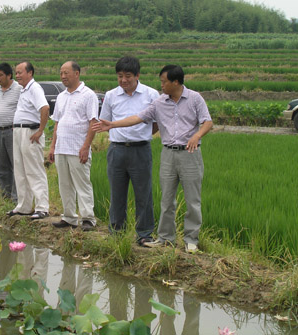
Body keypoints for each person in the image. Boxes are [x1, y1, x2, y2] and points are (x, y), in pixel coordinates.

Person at [95, 64, 213, 253]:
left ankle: (191, 240)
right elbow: (138, 118)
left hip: (190, 153)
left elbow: (207, 121)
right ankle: (166, 238)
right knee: (166, 199)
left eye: (164, 82)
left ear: (175, 82)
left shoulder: (194, 98)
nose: (161, 86)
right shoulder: (160, 102)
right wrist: (113, 125)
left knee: (192, 200)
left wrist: (197, 136)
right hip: (168, 153)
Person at [99, 56, 159, 246]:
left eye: (127, 76)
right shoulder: (111, 95)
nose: (123, 80)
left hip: (141, 150)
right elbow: (106, 122)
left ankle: (144, 234)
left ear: (137, 75)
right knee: (117, 194)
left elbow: (157, 123)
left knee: (144, 194)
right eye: (119, 76)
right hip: (116, 150)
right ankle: (116, 232)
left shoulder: (151, 94)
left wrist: (143, 134)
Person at [49, 61, 99, 231]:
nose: (63, 76)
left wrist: (86, 147)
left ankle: (88, 219)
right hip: (61, 148)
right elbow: (57, 123)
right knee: (64, 184)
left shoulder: (88, 95)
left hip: (78, 148)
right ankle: (69, 217)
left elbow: (93, 122)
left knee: (82, 183)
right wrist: (52, 146)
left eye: (66, 73)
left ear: (77, 73)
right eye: (61, 73)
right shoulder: (62, 96)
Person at [8, 62, 50, 219]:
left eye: (20, 72)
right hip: (19, 131)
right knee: (20, 170)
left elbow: (45, 108)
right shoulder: (24, 90)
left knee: (34, 170)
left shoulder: (34, 88)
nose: (17, 75)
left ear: (30, 73)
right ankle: (24, 206)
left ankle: (42, 207)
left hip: (30, 131)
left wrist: (40, 130)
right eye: (16, 73)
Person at [0, 63, 21, 202]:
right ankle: (5, 196)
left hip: (12, 131)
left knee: (15, 165)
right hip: (0, 131)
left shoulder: (19, 89)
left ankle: (16, 198)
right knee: (2, 167)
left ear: (9, 75)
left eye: (1, 75)